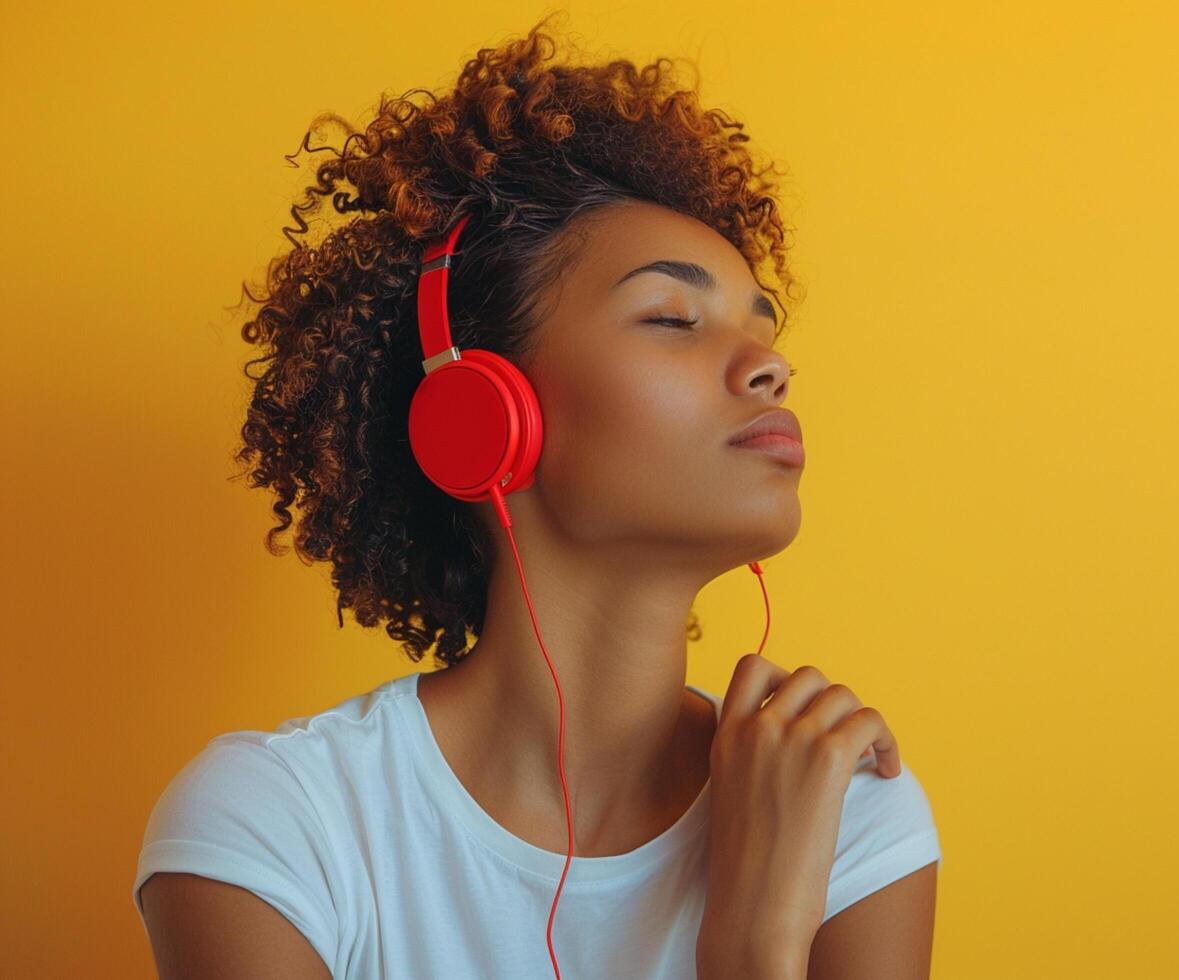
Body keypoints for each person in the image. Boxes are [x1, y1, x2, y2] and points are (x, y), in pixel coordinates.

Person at [132, 12, 940, 978]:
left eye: (759, 328)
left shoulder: (840, 803)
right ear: (480, 416)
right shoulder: (278, 824)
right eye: (673, 317)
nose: (769, 368)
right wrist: (754, 945)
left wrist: (768, 923)